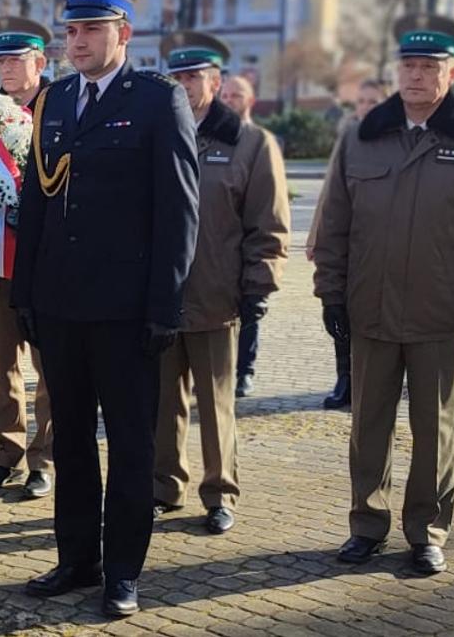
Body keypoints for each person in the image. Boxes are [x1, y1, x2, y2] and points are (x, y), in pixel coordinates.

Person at [315, 16, 454, 576]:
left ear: (451, 74)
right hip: (370, 310)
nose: (415, 75)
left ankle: (427, 532)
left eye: (428, 67)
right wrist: (331, 294)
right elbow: (334, 223)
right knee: (368, 427)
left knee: (435, 431)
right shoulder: (362, 136)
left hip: (441, 313)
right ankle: (366, 524)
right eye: (408, 65)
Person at [11, 0, 198, 618]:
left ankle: (122, 570)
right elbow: (36, 202)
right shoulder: (56, 101)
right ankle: (76, 559)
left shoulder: (157, 100)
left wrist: (165, 305)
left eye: (91, 29)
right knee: (69, 441)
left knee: (129, 444)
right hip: (60, 305)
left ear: (124, 34)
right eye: (71, 30)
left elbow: (179, 212)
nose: (78, 41)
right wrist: (25, 294)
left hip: (125, 310)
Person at [150, 31, 290, 536]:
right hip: (162, 296)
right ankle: (164, 486)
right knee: (162, 401)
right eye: (177, 77)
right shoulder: (159, 136)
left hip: (218, 295)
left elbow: (269, 226)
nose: (184, 85)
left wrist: (258, 288)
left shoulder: (251, 144)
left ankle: (220, 493)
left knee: (215, 403)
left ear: (216, 82)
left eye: (193, 77)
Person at [0, 15, 56, 500]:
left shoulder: (60, 108)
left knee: (49, 369)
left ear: (39, 63)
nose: (5, 68)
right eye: (0, 60)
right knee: (1, 366)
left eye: (15, 60)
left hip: (44, 262)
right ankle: (6, 452)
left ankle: (44, 459)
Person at [315, 79, 387, 409]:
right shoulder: (349, 138)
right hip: (348, 245)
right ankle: (345, 378)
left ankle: (376, 381)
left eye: (373, 102)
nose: (366, 108)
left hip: (381, 246)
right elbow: (331, 195)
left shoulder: (396, 140)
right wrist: (317, 237)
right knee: (341, 313)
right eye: (361, 101)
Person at [213, 75, 266, 399]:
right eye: (226, 95)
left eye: (236, 95)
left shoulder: (257, 141)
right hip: (218, 248)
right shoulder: (212, 136)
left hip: (247, 245)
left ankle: (244, 371)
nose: (229, 100)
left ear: (251, 101)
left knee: (249, 315)